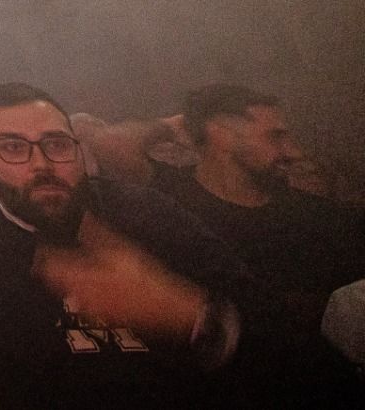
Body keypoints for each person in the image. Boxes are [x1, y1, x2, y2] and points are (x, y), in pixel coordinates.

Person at [0, 82, 361, 410]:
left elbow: (281, 339)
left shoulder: (142, 213)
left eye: (57, 145)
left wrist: (187, 313)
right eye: (13, 148)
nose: (41, 164)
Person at [152, 83, 365, 327]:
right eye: (275, 136)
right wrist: (169, 126)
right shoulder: (164, 205)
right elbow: (110, 146)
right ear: (221, 134)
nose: (293, 152)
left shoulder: (317, 217)